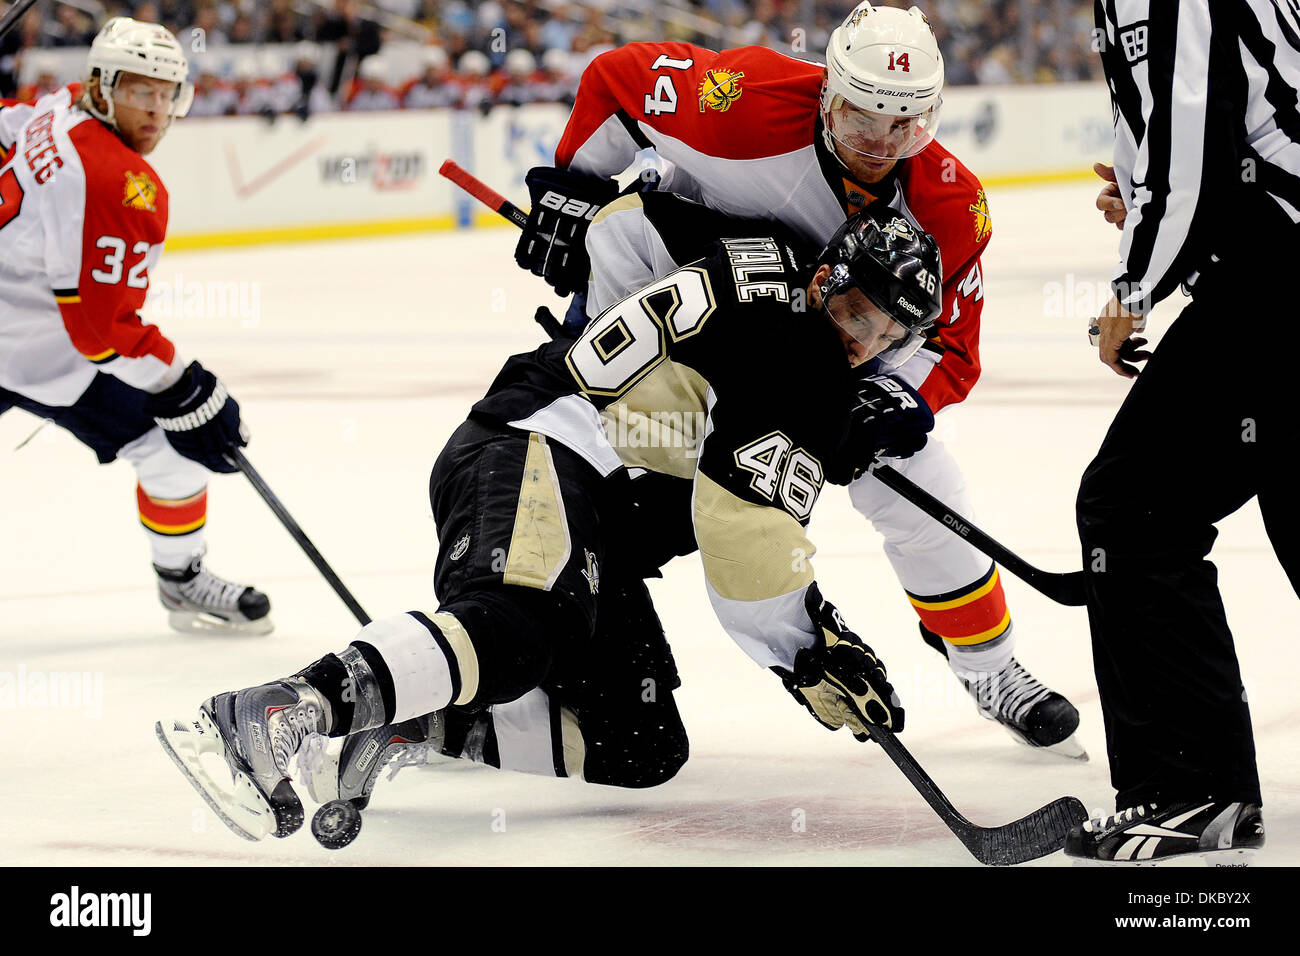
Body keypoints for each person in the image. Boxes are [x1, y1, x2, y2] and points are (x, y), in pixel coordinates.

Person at [157, 207, 942, 840]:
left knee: (639, 748)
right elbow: (745, 547)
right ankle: (282, 709)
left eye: (885, 335)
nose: (860, 341)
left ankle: (418, 723)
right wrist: (807, 651)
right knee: (522, 623)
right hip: (540, 446)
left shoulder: (765, 250)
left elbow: (620, 225)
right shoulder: (805, 377)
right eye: (856, 312)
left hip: (575, 477)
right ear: (830, 278)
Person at [511, 1, 1084, 757]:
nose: (880, 146)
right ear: (826, 94)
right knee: (620, 276)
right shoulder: (741, 102)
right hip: (706, 309)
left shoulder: (951, 206)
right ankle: (529, 606)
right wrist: (570, 190)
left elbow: (949, 349)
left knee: (924, 490)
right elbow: (618, 81)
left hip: (833, 358)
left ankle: (989, 668)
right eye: (861, 120)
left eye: (906, 126)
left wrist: (891, 400)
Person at [1066, 0, 1300, 862]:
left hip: (1276, 277)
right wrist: (1149, 196)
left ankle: (1191, 787)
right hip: (1272, 259)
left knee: (1134, 512)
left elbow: (1190, 146)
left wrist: (1134, 288)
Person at [0, 18, 270, 636]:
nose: (156, 111)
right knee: (174, 448)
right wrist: (186, 385)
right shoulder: (119, 182)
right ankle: (180, 579)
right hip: (42, 352)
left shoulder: (58, 107)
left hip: (31, 333)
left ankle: (181, 583)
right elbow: (101, 333)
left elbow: (6, 124)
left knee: (167, 450)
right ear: (102, 83)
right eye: (140, 91)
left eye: (167, 93)